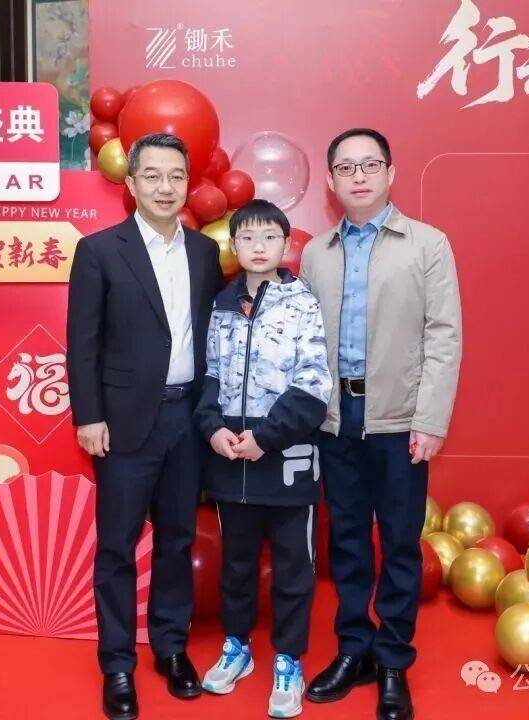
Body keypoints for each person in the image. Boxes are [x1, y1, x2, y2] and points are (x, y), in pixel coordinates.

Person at [299, 128, 463, 720]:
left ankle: (393, 659)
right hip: (335, 419)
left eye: (370, 165)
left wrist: (431, 419)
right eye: (346, 168)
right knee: (345, 541)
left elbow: (444, 335)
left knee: (398, 543)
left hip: (399, 420)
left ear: (391, 173)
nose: (359, 176)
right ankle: (354, 650)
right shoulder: (317, 253)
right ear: (331, 181)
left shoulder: (428, 244)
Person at [67, 132, 224, 720]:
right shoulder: (100, 251)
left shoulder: (204, 253)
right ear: (131, 184)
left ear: (188, 184)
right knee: (116, 545)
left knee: (178, 539)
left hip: (188, 418)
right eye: (152, 176)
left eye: (176, 176)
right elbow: (82, 342)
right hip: (124, 423)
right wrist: (89, 415)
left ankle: (170, 648)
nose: (165, 187)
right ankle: (116, 664)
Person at [194, 199, 332, 719]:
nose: (257, 247)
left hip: (287, 460)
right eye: (247, 238)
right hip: (232, 462)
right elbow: (209, 377)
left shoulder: (303, 303)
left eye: (269, 237)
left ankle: (289, 659)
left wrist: (267, 437)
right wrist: (213, 428)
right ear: (234, 245)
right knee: (237, 565)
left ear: (285, 244)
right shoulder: (221, 304)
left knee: (295, 570)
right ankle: (238, 647)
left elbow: (313, 385)